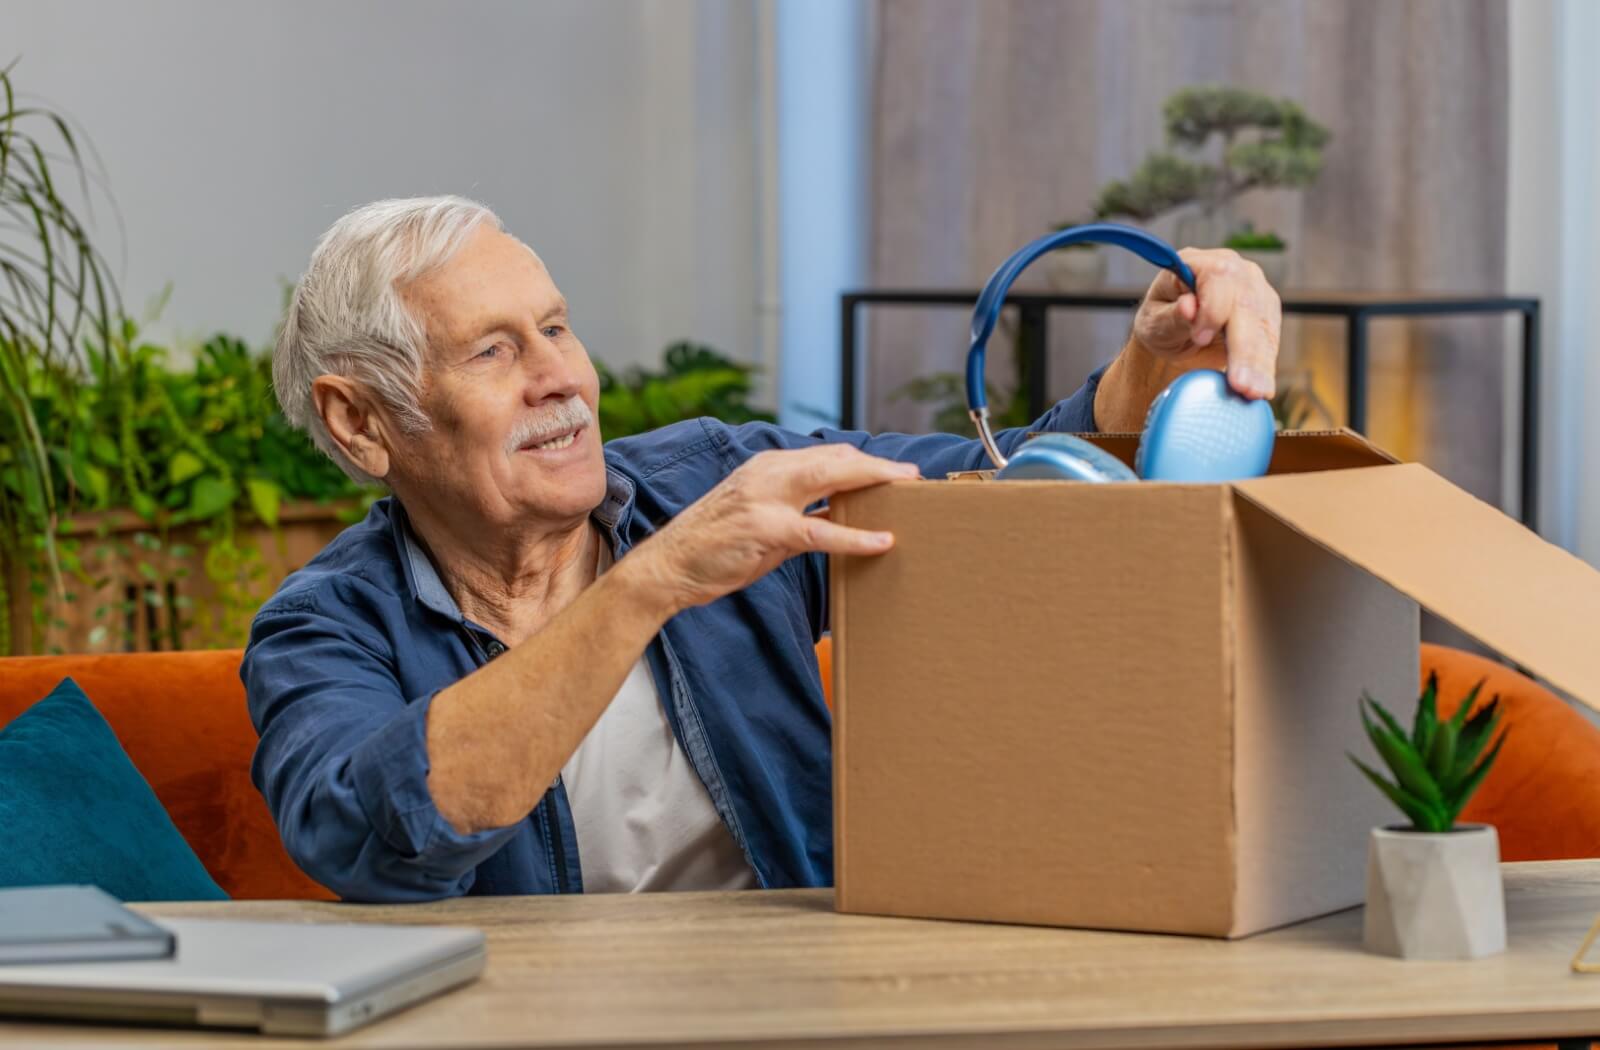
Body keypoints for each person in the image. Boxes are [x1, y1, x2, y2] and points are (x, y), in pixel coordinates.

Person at [245, 195, 1281, 901]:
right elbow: (381, 839)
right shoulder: (321, 629)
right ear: (361, 423)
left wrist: (1150, 367)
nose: (558, 378)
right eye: (493, 350)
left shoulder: (711, 477)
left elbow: (1004, 492)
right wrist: (652, 582)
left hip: (808, 1014)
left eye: (556, 331)